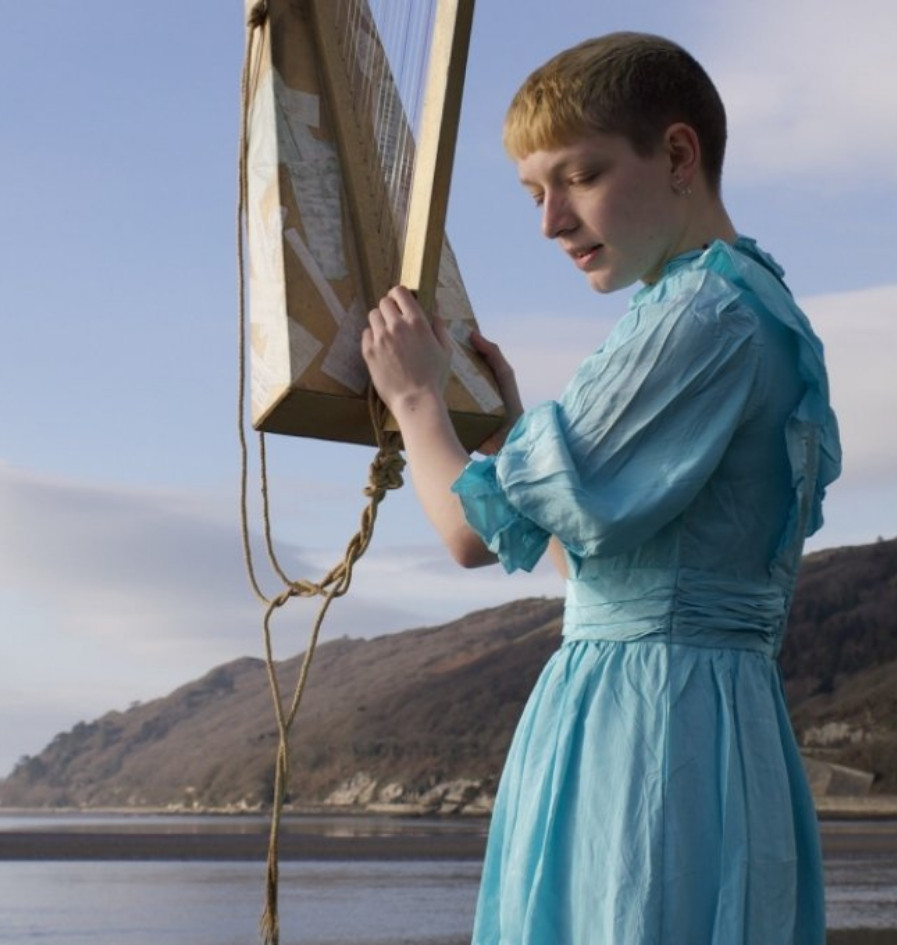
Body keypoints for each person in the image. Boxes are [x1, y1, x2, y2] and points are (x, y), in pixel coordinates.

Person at [361, 32, 842, 945]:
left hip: (645, 726)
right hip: (719, 719)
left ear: (678, 155)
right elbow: (601, 563)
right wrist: (506, 436)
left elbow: (468, 535)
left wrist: (416, 398)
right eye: (534, 193)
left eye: (579, 177)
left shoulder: (698, 315)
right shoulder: (758, 302)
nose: (551, 222)